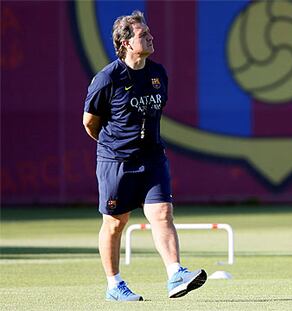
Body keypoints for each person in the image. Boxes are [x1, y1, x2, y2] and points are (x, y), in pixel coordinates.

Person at [82, 10, 207, 301]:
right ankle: (114, 285)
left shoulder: (157, 74)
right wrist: (113, 146)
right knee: (115, 223)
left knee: (162, 214)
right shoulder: (107, 79)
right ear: (125, 43)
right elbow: (90, 122)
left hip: (152, 157)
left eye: (149, 33)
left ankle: (175, 274)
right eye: (143, 35)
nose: (151, 37)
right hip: (116, 161)